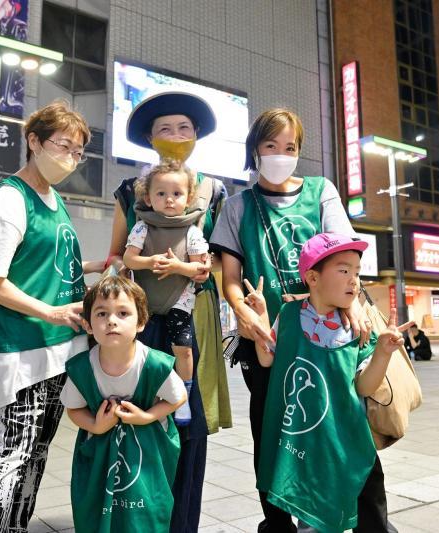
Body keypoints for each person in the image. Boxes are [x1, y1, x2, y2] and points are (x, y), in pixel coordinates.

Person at [210, 109, 394, 533]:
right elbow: (231, 279)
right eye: (270, 146)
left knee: (347, 429)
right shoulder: (238, 206)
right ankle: (279, 525)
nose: (279, 155)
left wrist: (354, 303)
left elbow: (345, 252)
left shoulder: (320, 191)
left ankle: (372, 525)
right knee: (272, 436)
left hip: (330, 335)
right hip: (268, 341)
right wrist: (245, 314)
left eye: (289, 147)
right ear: (254, 149)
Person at [0, 101, 104, 532]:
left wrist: (96, 267)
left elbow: (47, 264)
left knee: (37, 451)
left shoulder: (54, 200)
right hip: (23, 347)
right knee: (15, 452)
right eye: (62, 145)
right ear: (33, 141)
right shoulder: (11, 199)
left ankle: (15, 526)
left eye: (78, 151)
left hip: (57, 348)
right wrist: (49, 311)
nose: (70, 157)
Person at [108, 91, 227, 532]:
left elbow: (223, 257)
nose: (175, 136)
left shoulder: (215, 190)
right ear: (149, 138)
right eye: (164, 128)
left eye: (184, 128)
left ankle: (182, 523)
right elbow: (116, 254)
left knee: (189, 419)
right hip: (140, 317)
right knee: (136, 409)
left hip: (193, 315)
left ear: (197, 136)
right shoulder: (129, 191)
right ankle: (138, 515)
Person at [245, 233, 413, 532]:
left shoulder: (357, 328)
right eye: (344, 270)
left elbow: (364, 387)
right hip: (302, 440)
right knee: (311, 515)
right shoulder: (289, 313)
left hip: (344, 440)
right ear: (312, 277)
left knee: (367, 508)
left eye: (357, 273)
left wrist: (383, 353)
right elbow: (268, 358)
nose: (354, 281)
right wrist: (260, 318)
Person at [61, 274, 186, 533]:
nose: (112, 321)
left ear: (141, 322)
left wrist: (148, 416)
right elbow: (74, 408)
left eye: (123, 313)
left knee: (146, 511)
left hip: (148, 450)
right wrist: (95, 426)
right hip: (99, 450)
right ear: (88, 324)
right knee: (96, 509)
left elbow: (177, 398)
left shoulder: (153, 364)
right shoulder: (82, 367)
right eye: (102, 314)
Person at [123, 161, 209, 425]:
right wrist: (149, 261)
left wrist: (177, 266)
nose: (169, 199)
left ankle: (183, 395)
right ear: (148, 197)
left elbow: (199, 268)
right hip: (145, 300)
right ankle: (144, 394)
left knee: (182, 348)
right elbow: (128, 259)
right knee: (142, 350)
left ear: (189, 198)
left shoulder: (192, 231)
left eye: (176, 194)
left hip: (179, 301)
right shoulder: (142, 227)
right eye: (161, 193)